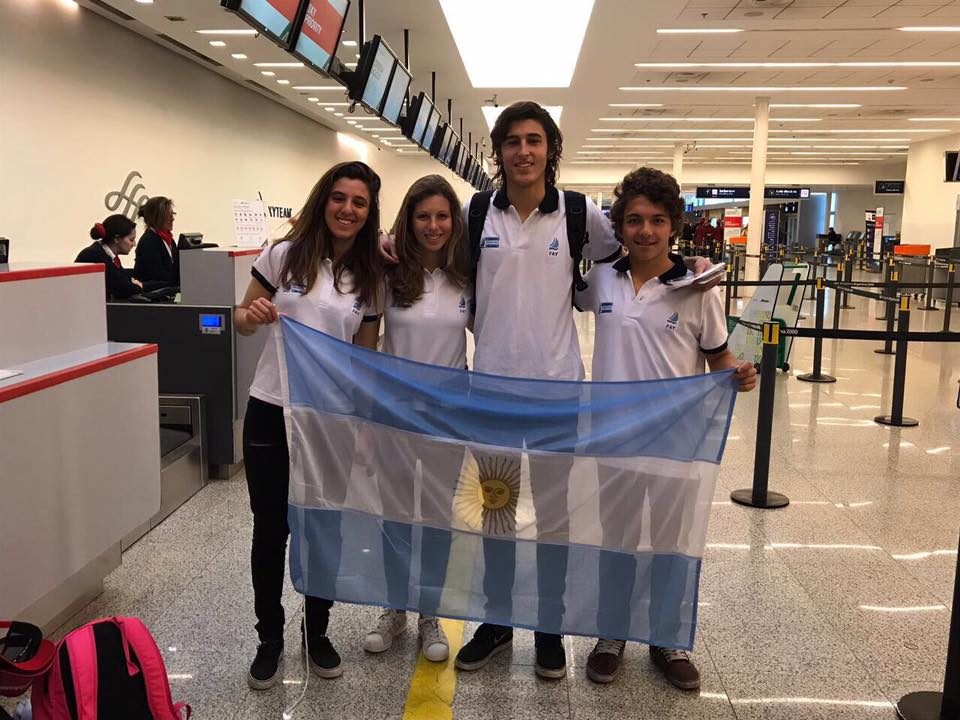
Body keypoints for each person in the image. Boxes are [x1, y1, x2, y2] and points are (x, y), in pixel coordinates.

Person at [381, 101, 717, 680]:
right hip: (492, 392)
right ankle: (497, 623)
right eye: (513, 141)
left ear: (550, 149)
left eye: (534, 140)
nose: (524, 151)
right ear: (500, 152)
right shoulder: (476, 213)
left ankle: (549, 629)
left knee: (556, 519)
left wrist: (686, 264)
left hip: (558, 393)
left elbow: (636, 253)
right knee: (497, 513)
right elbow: (430, 250)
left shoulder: (581, 214)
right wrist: (384, 247)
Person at [576, 167, 756, 689]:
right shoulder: (601, 278)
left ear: (674, 225)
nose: (646, 231)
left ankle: (666, 637)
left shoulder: (697, 289)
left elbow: (718, 357)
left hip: (676, 439)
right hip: (613, 437)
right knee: (617, 537)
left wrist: (739, 375)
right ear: (620, 226)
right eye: (634, 220)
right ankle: (611, 633)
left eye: (657, 220)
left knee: (670, 541)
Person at [234, 161, 383, 691]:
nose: (347, 209)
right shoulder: (283, 255)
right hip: (271, 409)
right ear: (324, 200)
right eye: (339, 198)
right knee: (270, 527)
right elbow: (240, 319)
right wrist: (253, 316)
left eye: (359, 202)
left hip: (329, 418)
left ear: (369, 213)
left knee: (323, 527)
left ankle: (316, 631)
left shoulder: (370, 277)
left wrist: (363, 422)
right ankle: (269, 638)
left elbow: (365, 358)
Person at [361, 175, 472, 664]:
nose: (433, 225)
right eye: (423, 216)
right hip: (395, 415)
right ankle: (394, 608)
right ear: (408, 220)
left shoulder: (467, 277)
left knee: (438, 517)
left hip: (448, 416)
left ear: (454, 222)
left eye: (442, 216)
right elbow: (366, 349)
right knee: (396, 515)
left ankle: (431, 612)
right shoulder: (386, 275)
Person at [76, 214, 143, 300]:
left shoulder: (106, 255)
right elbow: (122, 288)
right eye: (131, 239)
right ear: (117, 239)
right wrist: (138, 286)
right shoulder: (95, 255)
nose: (134, 244)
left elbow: (123, 280)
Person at [134, 196, 179, 286]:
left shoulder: (168, 239)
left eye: (172, 214)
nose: (172, 219)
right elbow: (157, 275)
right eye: (168, 215)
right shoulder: (149, 241)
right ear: (156, 217)